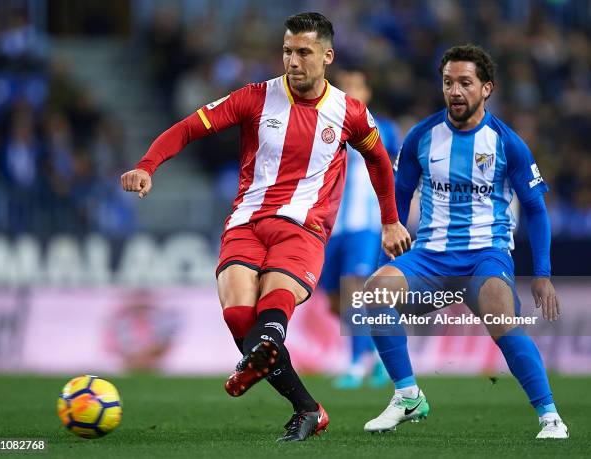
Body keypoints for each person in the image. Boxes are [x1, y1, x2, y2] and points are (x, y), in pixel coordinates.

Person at [121, 12, 410, 442]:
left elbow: (380, 162)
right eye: (287, 51)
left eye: (304, 52)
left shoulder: (348, 112)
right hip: (245, 223)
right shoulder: (255, 97)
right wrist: (147, 166)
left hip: (303, 229)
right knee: (240, 317)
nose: (293, 61)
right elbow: (188, 128)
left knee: (270, 320)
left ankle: (281, 377)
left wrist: (390, 220)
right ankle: (308, 408)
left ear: (327, 56)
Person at [362, 45, 568, 439]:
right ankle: (407, 396)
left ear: (486, 88)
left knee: (502, 320)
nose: (455, 91)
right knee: (374, 294)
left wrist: (542, 273)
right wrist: (388, 243)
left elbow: (537, 210)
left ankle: (550, 417)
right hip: (429, 259)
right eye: (448, 82)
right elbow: (399, 194)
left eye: (465, 83)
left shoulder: (508, 143)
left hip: (485, 257)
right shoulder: (422, 136)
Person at [320, 69, 400, 389]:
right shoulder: (325, 125)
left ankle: (356, 364)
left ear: (367, 93)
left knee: (356, 292)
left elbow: (395, 170)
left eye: (356, 85)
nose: (350, 90)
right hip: (331, 226)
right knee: (333, 299)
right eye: (345, 85)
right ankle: (378, 355)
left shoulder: (384, 128)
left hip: (364, 225)